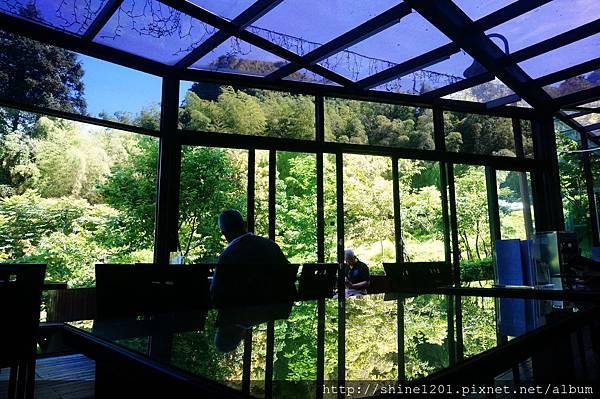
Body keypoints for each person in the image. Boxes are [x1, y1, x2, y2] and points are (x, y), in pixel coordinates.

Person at [211, 209, 295, 305]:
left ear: (224, 232)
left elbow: (215, 293)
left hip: (242, 312)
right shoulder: (271, 245)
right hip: (277, 308)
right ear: (245, 225)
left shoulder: (227, 256)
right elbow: (288, 277)